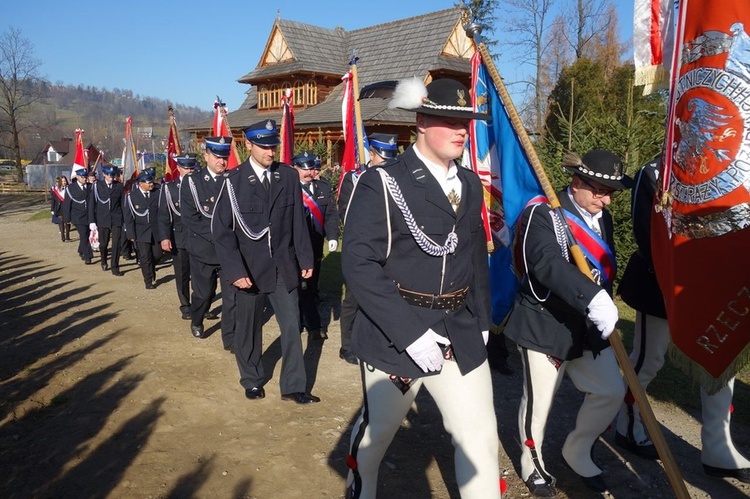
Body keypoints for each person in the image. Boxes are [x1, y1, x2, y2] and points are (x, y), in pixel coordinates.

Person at [342, 78, 501, 499]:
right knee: (377, 437)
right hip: (397, 331)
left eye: (465, 122)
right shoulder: (383, 182)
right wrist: (410, 334)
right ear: (421, 122)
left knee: (480, 438)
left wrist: (483, 320)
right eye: (450, 121)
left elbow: (474, 259)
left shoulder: (468, 183)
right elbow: (359, 265)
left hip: (460, 327)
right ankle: (361, 487)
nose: (461, 131)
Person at [503, 150, 632, 497]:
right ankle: (533, 463)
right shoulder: (542, 213)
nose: (606, 201)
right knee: (539, 403)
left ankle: (576, 449)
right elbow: (545, 263)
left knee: (611, 391)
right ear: (577, 183)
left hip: (587, 326)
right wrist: (591, 296)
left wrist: (597, 302)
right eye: (600, 191)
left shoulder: (598, 215)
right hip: (546, 324)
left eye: (611, 193)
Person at [616, 159, 750, 481]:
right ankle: (626, 423)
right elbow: (645, 230)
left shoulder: (730, 167)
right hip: (662, 281)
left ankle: (718, 446)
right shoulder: (656, 170)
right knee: (649, 358)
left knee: (720, 362)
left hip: (713, 287)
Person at [212, 119, 317, 404]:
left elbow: (298, 221)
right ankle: (252, 379)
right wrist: (235, 271)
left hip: (284, 265)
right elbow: (222, 232)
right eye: (264, 146)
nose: (271, 152)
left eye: (273, 146)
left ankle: (294, 385)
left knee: (293, 325)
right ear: (248, 145)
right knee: (248, 328)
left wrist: (306, 257)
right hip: (249, 269)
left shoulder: (288, 176)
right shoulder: (233, 182)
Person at [337, 132, 399, 365]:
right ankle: (347, 346)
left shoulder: (397, 176)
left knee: (387, 294)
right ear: (371, 154)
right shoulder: (355, 179)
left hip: (391, 247)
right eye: (382, 158)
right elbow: (346, 212)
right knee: (354, 299)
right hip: (363, 247)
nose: (386, 163)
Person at [180, 137, 236, 350]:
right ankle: (196, 319)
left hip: (229, 252)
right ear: (206, 156)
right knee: (204, 294)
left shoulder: (232, 180)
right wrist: (219, 237)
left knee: (232, 298)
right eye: (217, 156)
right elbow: (190, 218)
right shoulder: (192, 182)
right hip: (204, 249)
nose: (222, 161)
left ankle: (229, 338)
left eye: (225, 156)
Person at [292, 150, 339, 341]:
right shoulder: (289, 189)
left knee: (311, 286)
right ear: (295, 168)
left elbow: (330, 215)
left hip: (316, 246)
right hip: (294, 249)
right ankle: (304, 324)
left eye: (311, 168)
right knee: (299, 288)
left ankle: (309, 321)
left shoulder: (323, 188)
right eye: (303, 169)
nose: (308, 172)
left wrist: (333, 235)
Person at [157, 154, 197, 321]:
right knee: (182, 274)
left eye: (191, 167)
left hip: (198, 238)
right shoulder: (169, 188)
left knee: (201, 275)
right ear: (178, 168)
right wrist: (165, 237)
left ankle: (201, 305)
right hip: (179, 237)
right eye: (186, 167)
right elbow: (163, 215)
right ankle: (186, 305)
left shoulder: (200, 186)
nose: (189, 171)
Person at [123, 169, 162, 289]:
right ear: (140, 183)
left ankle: (152, 268)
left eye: (151, 181)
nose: (151, 184)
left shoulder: (157, 193)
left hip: (156, 231)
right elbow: (128, 217)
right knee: (145, 257)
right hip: (141, 232)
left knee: (157, 255)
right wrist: (131, 234)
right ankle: (148, 280)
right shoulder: (131, 197)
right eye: (148, 182)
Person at [88, 166, 125, 276]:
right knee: (103, 244)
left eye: (113, 176)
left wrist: (125, 220)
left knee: (116, 244)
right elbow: (92, 204)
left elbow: (122, 204)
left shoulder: (119, 186)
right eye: (109, 176)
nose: (111, 178)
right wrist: (92, 221)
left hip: (116, 218)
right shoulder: (97, 186)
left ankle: (115, 266)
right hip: (102, 218)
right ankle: (104, 261)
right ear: (104, 174)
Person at [63, 168, 93, 265]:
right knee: (84, 234)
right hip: (77, 217)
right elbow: (67, 204)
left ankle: (81, 250)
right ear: (77, 177)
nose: (84, 179)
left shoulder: (90, 187)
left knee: (86, 235)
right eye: (82, 177)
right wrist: (67, 219)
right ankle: (88, 256)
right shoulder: (71, 188)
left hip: (88, 216)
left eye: (85, 177)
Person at [50, 176, 70, 242]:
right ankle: (62, 235)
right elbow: (53, 200)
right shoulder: (56, 190)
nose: (64, 182)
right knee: (61, 221)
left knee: (67, 221)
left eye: (65, 181)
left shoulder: (69, 188)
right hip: (59, 207)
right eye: (63, 181)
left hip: (67, 207)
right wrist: (52, 209)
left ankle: (67, 234)